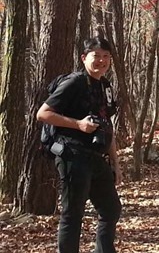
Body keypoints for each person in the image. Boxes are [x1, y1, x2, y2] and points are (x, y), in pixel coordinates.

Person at [37, 37, 122, 253]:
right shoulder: (74, 82)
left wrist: (115, 162)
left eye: (106, 57)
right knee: (73, 213)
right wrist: (78, 124)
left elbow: (107, 124)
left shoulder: (105, 86)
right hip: (73, 155)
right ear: (84, 58)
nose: (101, 61)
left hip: (97, 158)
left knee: (111, 208)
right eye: (96, 56)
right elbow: (43, 114)